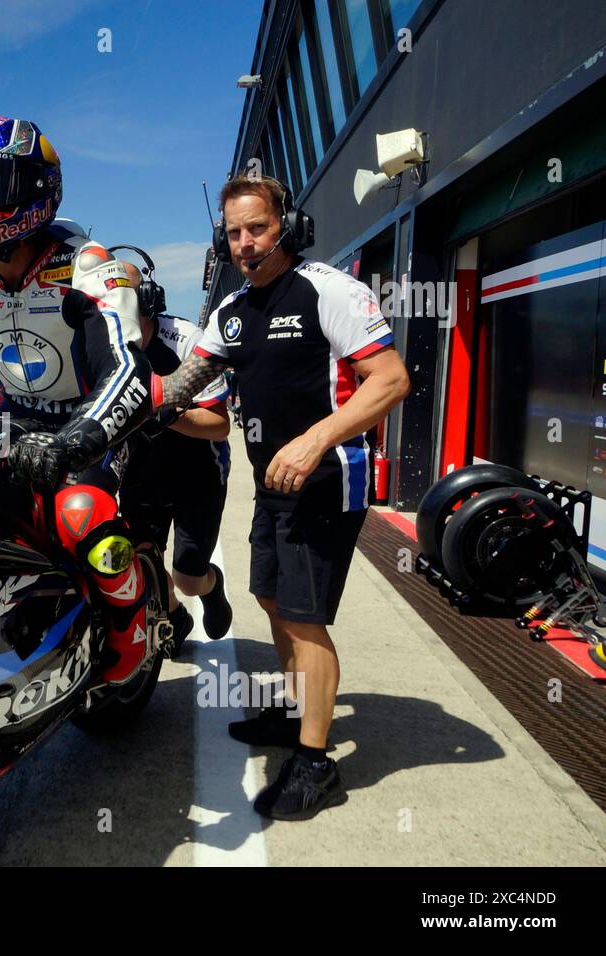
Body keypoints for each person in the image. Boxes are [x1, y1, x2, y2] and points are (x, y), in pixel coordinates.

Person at [156, 173, 410, 819]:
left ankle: (316, 762)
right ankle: (297, 712)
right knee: (271, 597)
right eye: (234, 232)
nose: (245, 243)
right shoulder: (233, 312)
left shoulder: (331, 291)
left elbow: (391, 380)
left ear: (286, 227)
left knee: (302, 616)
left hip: (327, 479)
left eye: (257, 229)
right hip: (271, 484)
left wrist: (313, 440)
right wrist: (155, 405)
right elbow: (186, 383)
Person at [0, 116, 154, 686]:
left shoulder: (86, 266)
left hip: (86, 425)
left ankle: (130, 633)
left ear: (33, 188)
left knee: (81, 514)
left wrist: (75, 442)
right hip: (8, 420)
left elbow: (127, 373)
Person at [115, 258, 233, 651]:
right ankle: (175, 615)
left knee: (186, 576)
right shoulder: (99, 342)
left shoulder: (186, 340)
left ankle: (209, 588)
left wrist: (159, 416)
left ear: (147, 302)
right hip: (141, 469)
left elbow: (220, 424)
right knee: (138, 562)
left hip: (197, 470)